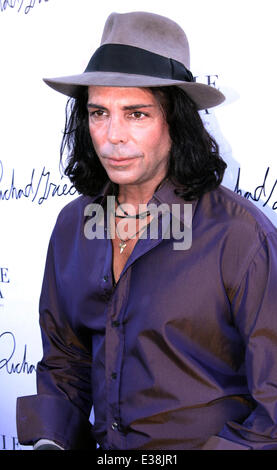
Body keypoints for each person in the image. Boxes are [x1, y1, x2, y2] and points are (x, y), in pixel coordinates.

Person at [16, 11, 277, 451]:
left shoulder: (239, 235)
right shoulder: (72, 227)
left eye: (136, 113)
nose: (112, 137)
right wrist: (51, 442)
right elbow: (65, 363)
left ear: (175, 121)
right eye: (99, 112)